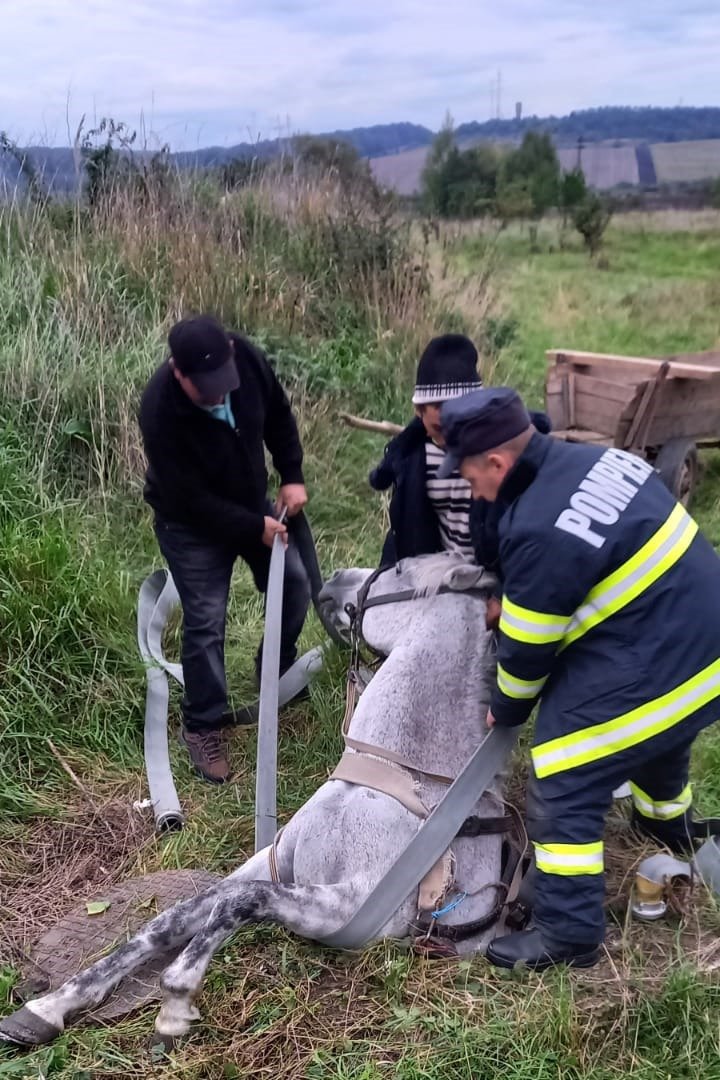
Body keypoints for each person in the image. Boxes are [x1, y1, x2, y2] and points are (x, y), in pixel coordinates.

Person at [438, 387, 720, 971]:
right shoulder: (598, 461)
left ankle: (568, 936)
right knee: (657, 730)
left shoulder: (540, 528)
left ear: (497, 463)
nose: (471, 490)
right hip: (703, 642)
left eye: (469, 476)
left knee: (565, 763)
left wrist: (506, 707)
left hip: (664, 655)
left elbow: (529, 649)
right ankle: (666, 821)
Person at [139, 315, 311, 784]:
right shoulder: (159, 409)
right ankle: (203, 725)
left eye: (224, 383)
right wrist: (249, 526)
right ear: (179, 372)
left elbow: (277, 412)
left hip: (248, 502)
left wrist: (291, 473)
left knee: (294, 582)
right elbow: (187, 497)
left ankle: (274, 666)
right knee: (207, 620)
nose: (218, 394)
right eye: (207, 389)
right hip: (189, 523)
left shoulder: (246, 358)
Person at [369, 334, 550, 583]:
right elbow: (405, 531)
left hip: (494, 578)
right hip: (435, 577)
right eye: (440, 408)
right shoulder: (414, 458)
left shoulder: (504, 449)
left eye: (459, 407)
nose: (451, 420)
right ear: (419, 410)